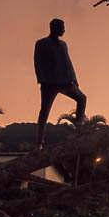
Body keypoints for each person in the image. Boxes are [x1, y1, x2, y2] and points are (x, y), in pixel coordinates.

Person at [34, 18, 86, 149]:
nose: (64, 30)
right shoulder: (41, 43)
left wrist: (74, 78)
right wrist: (41, 79)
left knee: (82, 98)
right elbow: (37, 62)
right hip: (49, 83)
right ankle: (39, 143)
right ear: (54, 28)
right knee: (44, 111)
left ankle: (78, 129)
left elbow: (68, 61)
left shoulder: (63, 44)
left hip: (65, 81)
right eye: (62, 27)